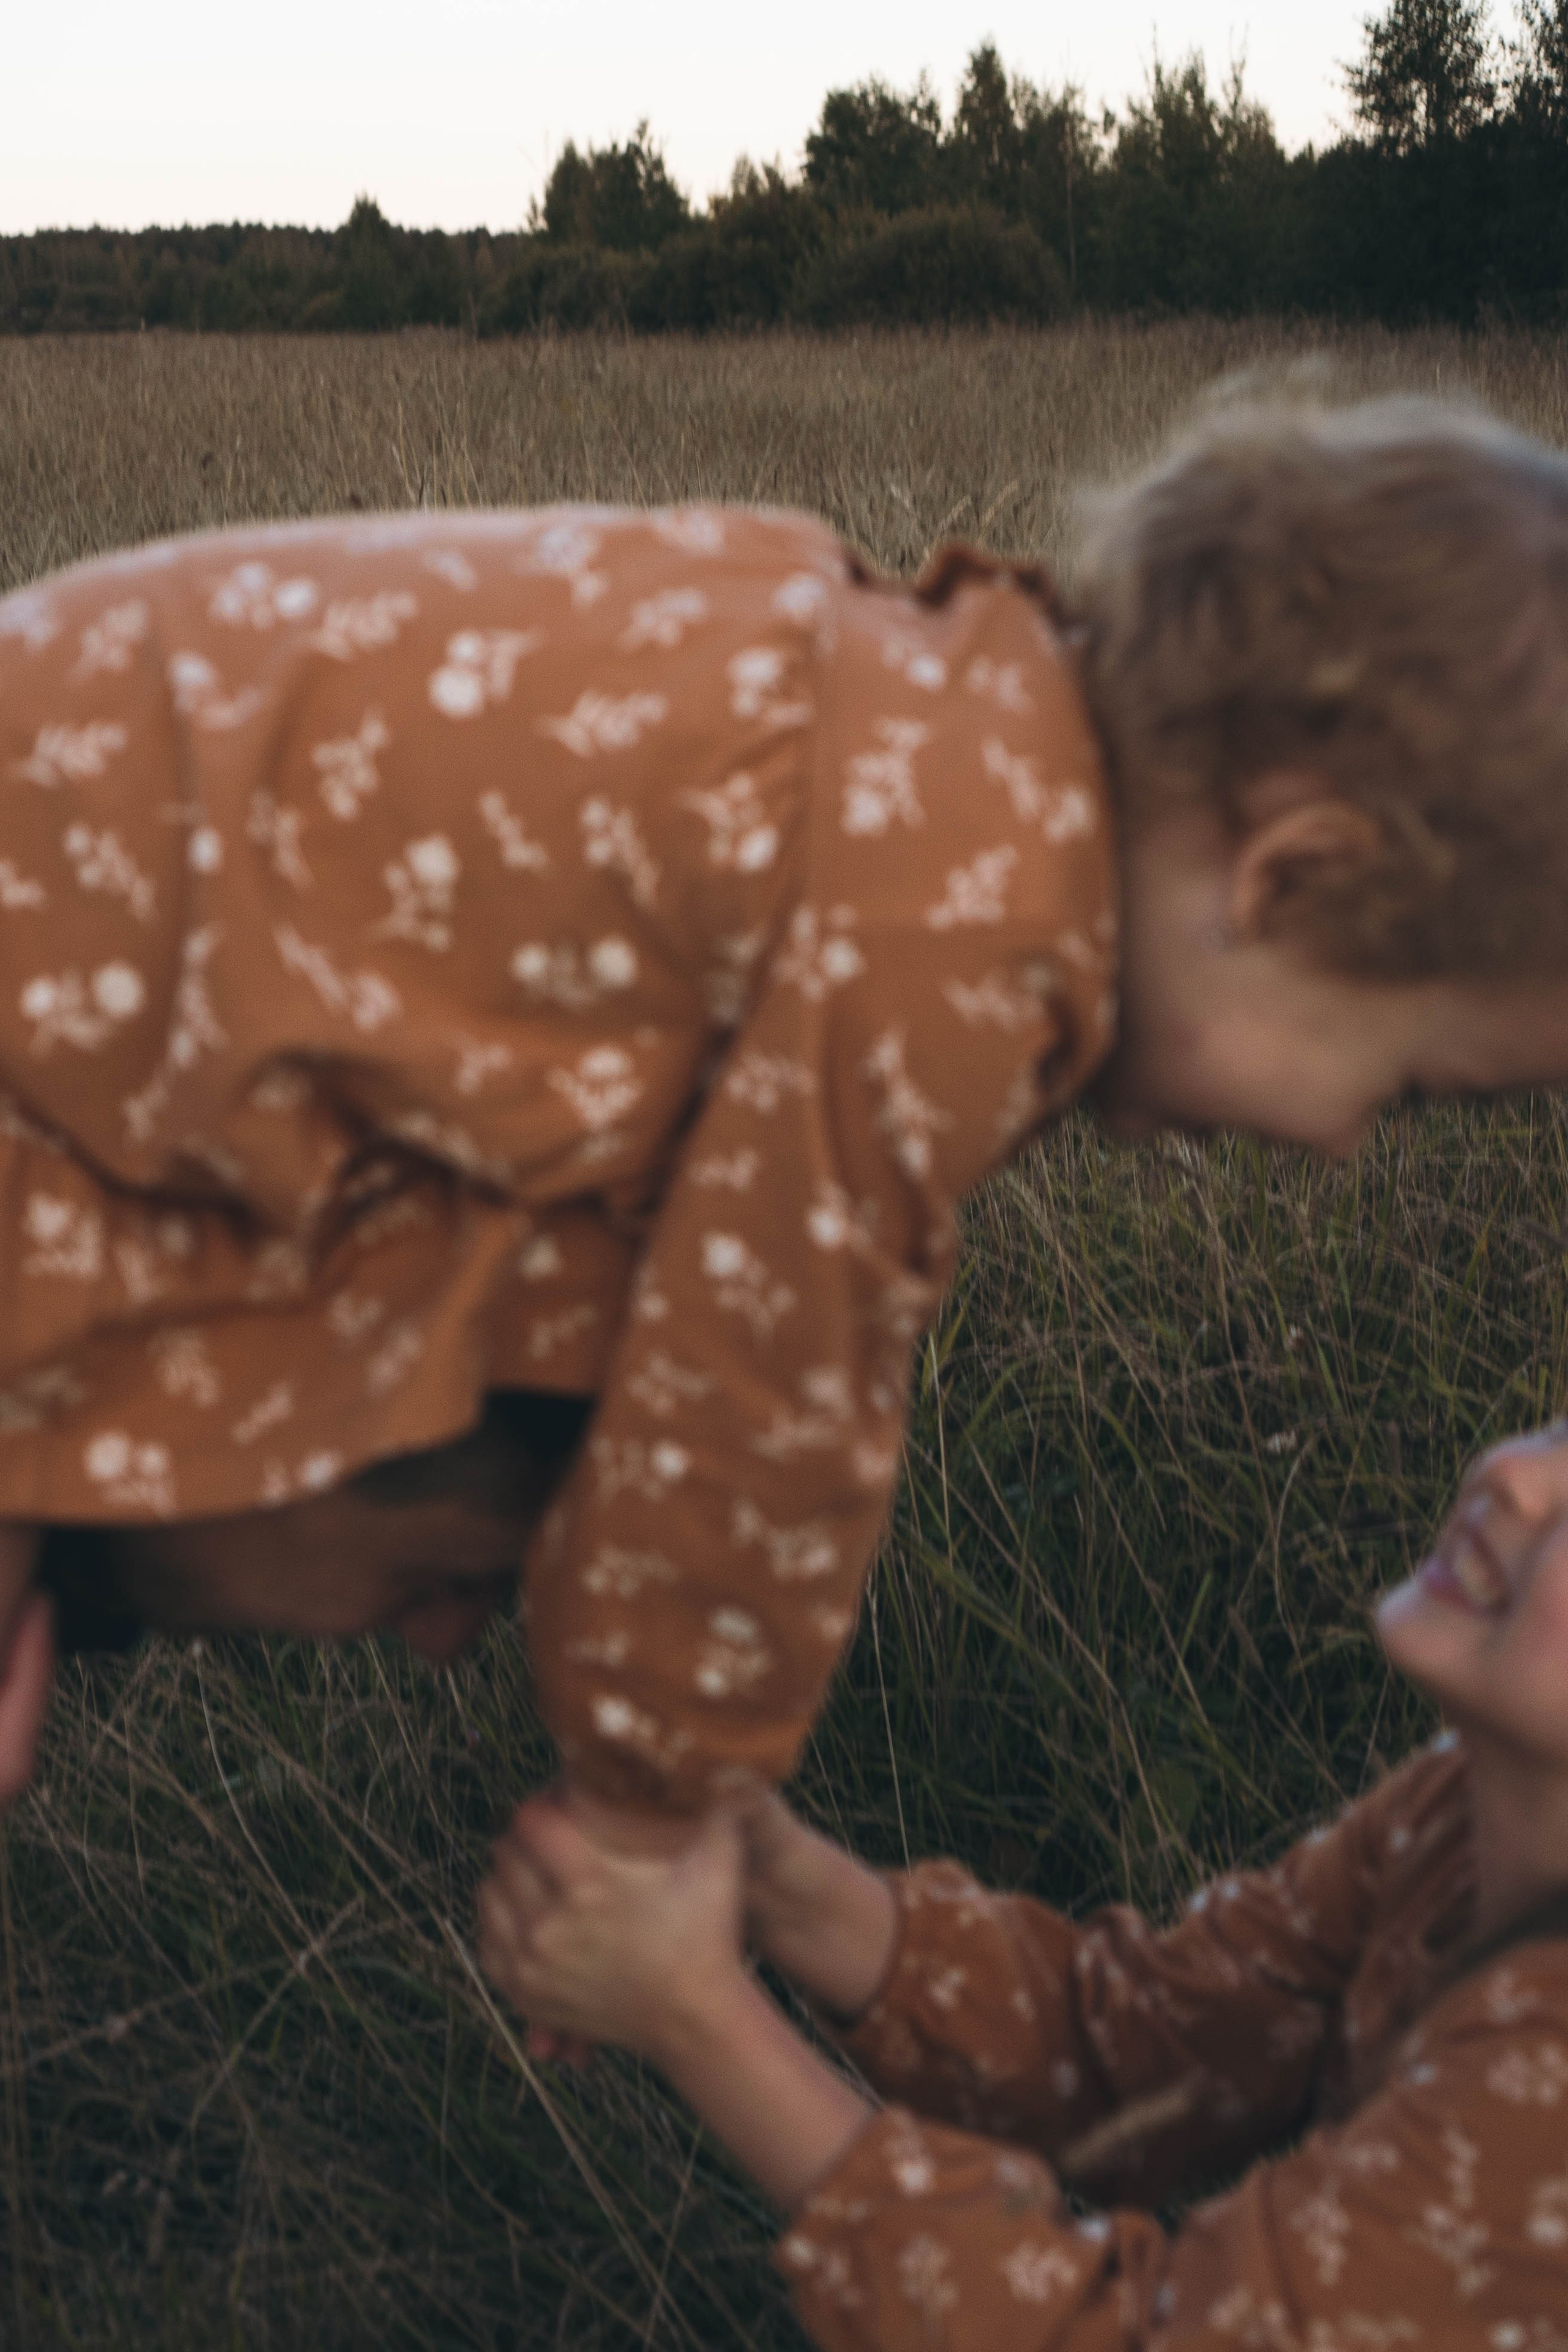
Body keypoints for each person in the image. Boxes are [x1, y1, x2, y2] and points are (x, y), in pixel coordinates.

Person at [5, 392, 1568, 1850]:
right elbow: (759, 1393)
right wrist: (657, 1802)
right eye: (1414, 1087)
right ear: (1286, 877)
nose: (1345, 1145)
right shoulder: (963, 905)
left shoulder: (916, 706)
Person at [476, 1423, 1568, 2350]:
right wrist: (773, 1876)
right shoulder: (1453, 1811)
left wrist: (694, 2013)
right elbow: (1141, 2046)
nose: (1519, 1480)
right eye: (1561, 1433)